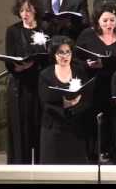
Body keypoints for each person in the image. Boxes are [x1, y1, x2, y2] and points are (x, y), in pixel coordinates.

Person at [75, 1, 116, 162]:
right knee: (92, 119)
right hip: (93, 85)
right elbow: (76, 58)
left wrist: (107, 62)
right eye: (105, 20)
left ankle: (114, 152)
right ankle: (93, 153)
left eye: (112, 20)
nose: (108, 24)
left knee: (115, 120)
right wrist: (87, 64)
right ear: (98, 21)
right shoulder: (87, 35)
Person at [5, 0, 48, 164]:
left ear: (35, 10)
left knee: (38, 127)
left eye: (28, 10)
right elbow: (9, 57)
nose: (25, 14)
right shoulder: (13, 30)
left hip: (39, 82)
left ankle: (40, 167)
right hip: (20, 85)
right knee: (20, 127)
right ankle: (18, 168)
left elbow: (50, 56)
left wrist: (34, 63)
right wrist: (17, 66)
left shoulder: (45, 28)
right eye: (22, 10)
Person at [38, 36, 92, 164]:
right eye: (60, 52)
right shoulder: (45, 74)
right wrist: (65, 104)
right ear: (54, 54)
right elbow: (44, 103)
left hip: (75, 128)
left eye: (68, 52)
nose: (65, 56)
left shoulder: (79, 71)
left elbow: (87, 98)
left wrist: (75, 108)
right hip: (53, 128)